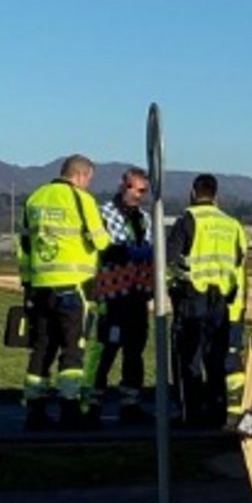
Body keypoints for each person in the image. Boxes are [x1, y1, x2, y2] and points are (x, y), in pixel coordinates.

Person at [17, 154, 109, 430]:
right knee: (73, 350)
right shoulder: (81, 200)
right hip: (73, 286)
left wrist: (28, 283)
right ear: (80, 176)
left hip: (39, 287)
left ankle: (35, 410)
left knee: (42, 348)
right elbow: (101, 241)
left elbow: (23, 245)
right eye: (88, 180)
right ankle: (69, 409)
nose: (88, 185)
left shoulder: (35, 198)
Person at [167, 173, 247, 428]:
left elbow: (169, 261)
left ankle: (190, 414)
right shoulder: (232, 224)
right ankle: (217, 411)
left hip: (193, 297)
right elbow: (240, 264)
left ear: (193, 192)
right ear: (216, 196)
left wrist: (175, 287)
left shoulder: (187, 220)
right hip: (222, 301)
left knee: (188, 358)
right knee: (216, 359)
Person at [82, 166, 154, 426]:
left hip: (137, 296)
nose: (138, 195)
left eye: (143, 191)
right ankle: (91, 406)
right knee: (103, 353)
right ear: (123, 186)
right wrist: (123, 252)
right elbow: (100, 249)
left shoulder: (145, 219)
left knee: (134, 353)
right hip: (110, 298)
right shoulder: (103, 214)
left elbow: (152, 251)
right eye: (134, 189)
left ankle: (130, 405)